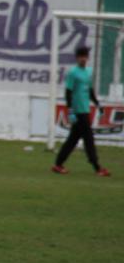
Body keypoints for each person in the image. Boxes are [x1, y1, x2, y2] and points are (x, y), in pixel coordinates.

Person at [52, 46, 110, 177]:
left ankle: (58, 164)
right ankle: (97, 167)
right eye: (81, 56)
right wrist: (70, 111)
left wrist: (97, 104)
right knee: (88, 139)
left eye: (85, 56)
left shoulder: (89, 72)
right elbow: (68, 93)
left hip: (85, 110)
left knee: (72, 140)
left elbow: (89, 91)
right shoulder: (73, 73)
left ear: (88, 57)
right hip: (78, 112)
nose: (83, 59)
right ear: (77, 58)